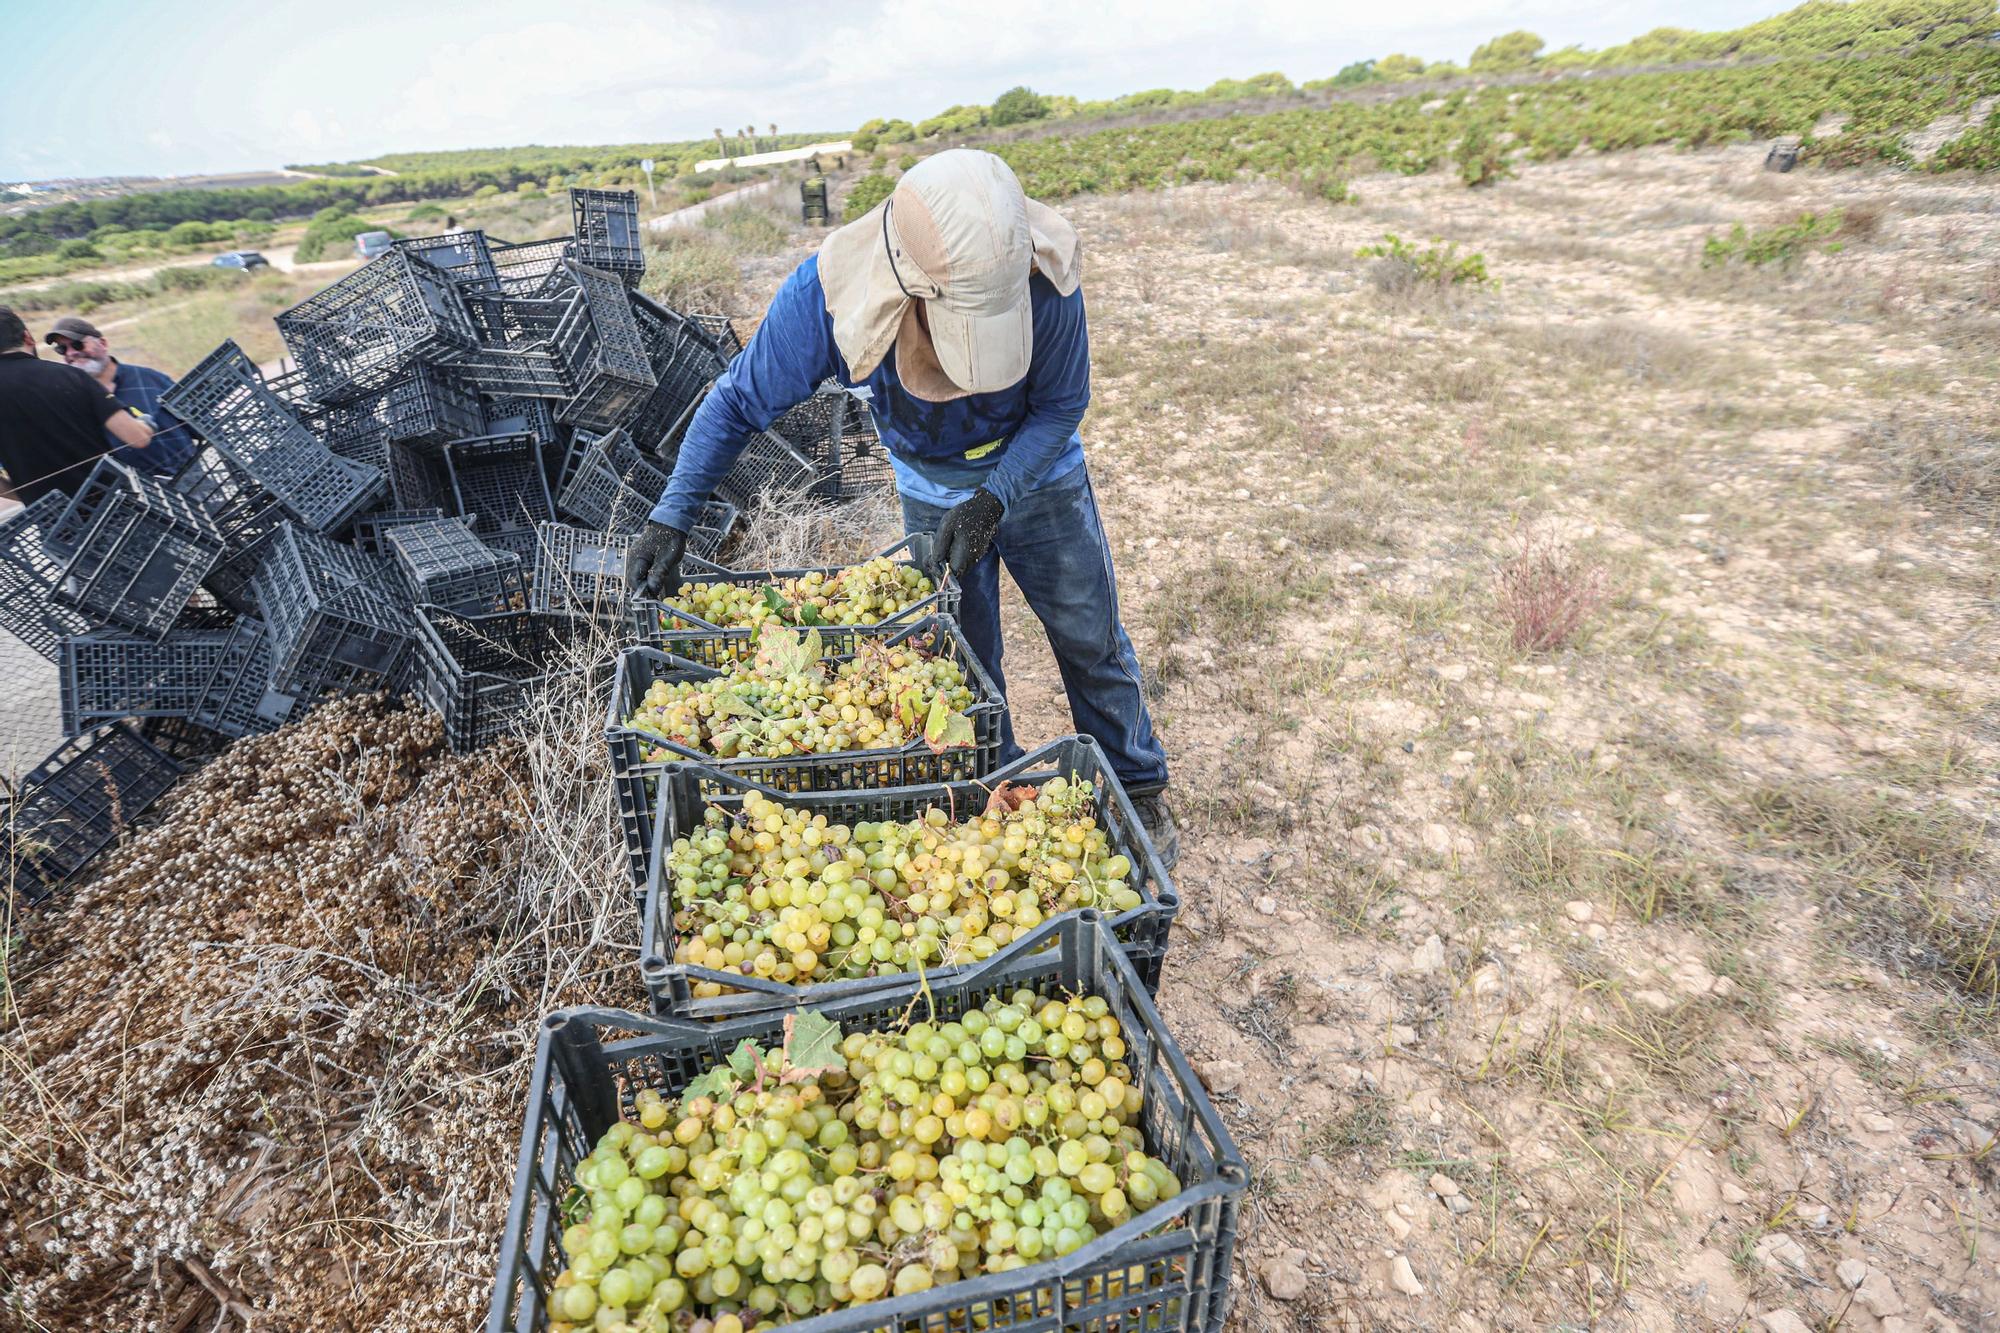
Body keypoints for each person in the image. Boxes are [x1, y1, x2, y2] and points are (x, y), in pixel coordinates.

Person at [625, 150, 1179, 864]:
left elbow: (1062, 403)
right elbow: (734, 402)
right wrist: (672, 514)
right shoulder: (828, 300)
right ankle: (989, 787)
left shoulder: (1042, 274)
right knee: (961, 659)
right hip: (927, 486)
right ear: (910, 292)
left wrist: (996, 495)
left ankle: (1134, 784)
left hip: (1038, 477)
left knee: (1089, 635)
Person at [0, 306, 154, 504]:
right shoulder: (70, 375)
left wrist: (29, 496)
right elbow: (137, 438)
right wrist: (146, 423)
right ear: (28, 337)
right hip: (117, 506)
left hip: (56, 522)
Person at [44, 315, 195, 477]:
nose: (71, 353)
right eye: (62, 349)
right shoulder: (73, 401)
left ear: (103, 343)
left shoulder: (150, 378)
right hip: (142, 493)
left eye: (77, 344)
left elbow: (194, 420)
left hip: (191, 475)